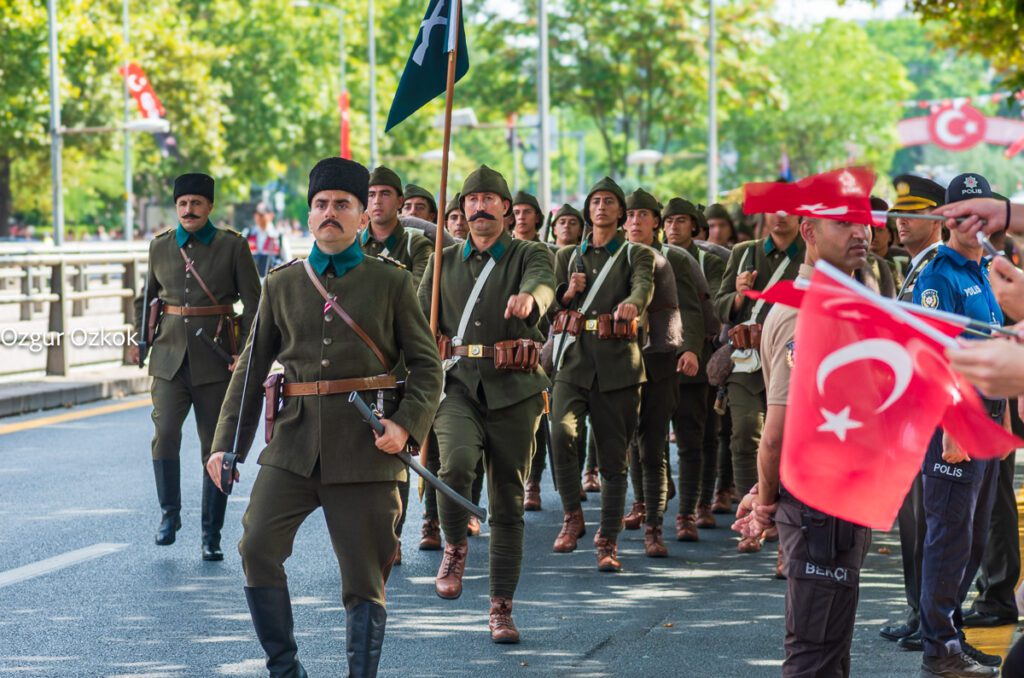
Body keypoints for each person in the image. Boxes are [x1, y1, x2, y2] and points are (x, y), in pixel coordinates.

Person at [207, 157, 442, 677]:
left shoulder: (393, 283)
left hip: (366, 451)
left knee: (364, 579)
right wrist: (227, 445)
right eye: (320, 205)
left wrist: (406, 426)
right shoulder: (283, 282)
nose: (329, 213)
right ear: (309, 215)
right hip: (292, 448)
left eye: (342, 204)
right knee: (256, 547)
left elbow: (428, 367)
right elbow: (250, 371)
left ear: (364, 216)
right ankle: (285, 670)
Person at [733, 211, 873, 677]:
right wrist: (766, 502)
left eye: (866, 223)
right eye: (844, 224)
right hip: (820, 510)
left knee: (831, 652)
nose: (861, 233)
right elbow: (776, 432)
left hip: (838, 505)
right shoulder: (808, 311)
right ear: (809, 232)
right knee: (814, 656)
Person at [423, 165, 554, 643]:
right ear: (461, 209)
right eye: (471, 200)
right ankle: (455, 544)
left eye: (489, 199)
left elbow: (544, 281)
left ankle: (501, 606)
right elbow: (417, 318)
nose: (480, 207)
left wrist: (529, 300)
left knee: (508, 500)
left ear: (506, 209)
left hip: (514, 390)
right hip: (457, 385)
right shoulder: (443, 261)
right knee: (454, 465)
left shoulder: (528, 253)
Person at [130, 173, 261, 560]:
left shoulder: (232, 247)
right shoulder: (160, 247)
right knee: (165, 433)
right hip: (169, 359)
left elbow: (254, 303)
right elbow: (146, 299)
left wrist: (247, 351)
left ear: (209, 207)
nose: (189, 209)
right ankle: (169, 515)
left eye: (197, 203)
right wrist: (140, 340)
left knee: (214, 447)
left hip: (216, 360)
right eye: (183, 203)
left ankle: (211, 534)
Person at [913, 173, 1009, 678]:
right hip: (954, 426)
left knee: (972, 539)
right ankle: (939, 650)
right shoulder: (938, 274)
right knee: (949, 537)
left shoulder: (988, 270)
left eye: (983, 211)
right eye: (963, 211)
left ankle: (951, 634)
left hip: (988, 421)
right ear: (948, 217)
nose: (974, 222)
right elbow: (933, 356)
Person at [549, 177, 654, 571]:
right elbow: (550, 311)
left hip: (618, 367)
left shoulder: (634, 255)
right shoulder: (567, 257)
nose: (601, 208)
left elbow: (644, 286)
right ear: (587, 210)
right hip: (573, 362)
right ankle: (572, 514)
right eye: (595, 202)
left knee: (614, 458)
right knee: (560, 432)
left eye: (609, 202)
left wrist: (632, 302)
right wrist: (567, 294)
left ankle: (607, 539)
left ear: (620, 213)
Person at [878, 174, 947, 647]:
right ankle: (916, 607)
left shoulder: (936, 271)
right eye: (899, 213)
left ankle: (930, 616)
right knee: (912, 518)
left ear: (938, 217)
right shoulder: (916, 269)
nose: (900, 222)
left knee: (927, 519)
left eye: (913, 212)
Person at [713, 208, 804, 553]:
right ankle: (752, 519)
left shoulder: (809, 254)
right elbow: (721, 306)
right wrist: (738, 295)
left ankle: (787, 536)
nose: (779, 217)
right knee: (745, 433)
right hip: (746, 358)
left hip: (791, 356)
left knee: (788, 440)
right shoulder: (744, 252)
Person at [622, 189, 702, 553]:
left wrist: (690, 348)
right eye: (631, 215)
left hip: (661, 361)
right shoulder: (613, 258)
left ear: (656, 221)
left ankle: (656, 526)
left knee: (654, 443)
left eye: (643, 215)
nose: (635, 221)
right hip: (621, 362)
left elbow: (691, 308)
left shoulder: (675, 259)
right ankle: (644, 503)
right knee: (633, 443)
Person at [662, 197, 726, 536]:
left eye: (681, 221)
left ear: (695, 226)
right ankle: (652, 496)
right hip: (655, 358)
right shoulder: (651, 255)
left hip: (697, 356)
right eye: (669, 221)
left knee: (698, 437)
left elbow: (710, 305)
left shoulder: (710, 260)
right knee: (643, 440)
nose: (674, 227)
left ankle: (693, 507)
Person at [245, 202, 291, 277]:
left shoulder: (279, 237)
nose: (258, 217)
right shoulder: (248, 235)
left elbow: (288, 262)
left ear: (271, 216)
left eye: (261, 214)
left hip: (273, 283)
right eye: (256, 214)